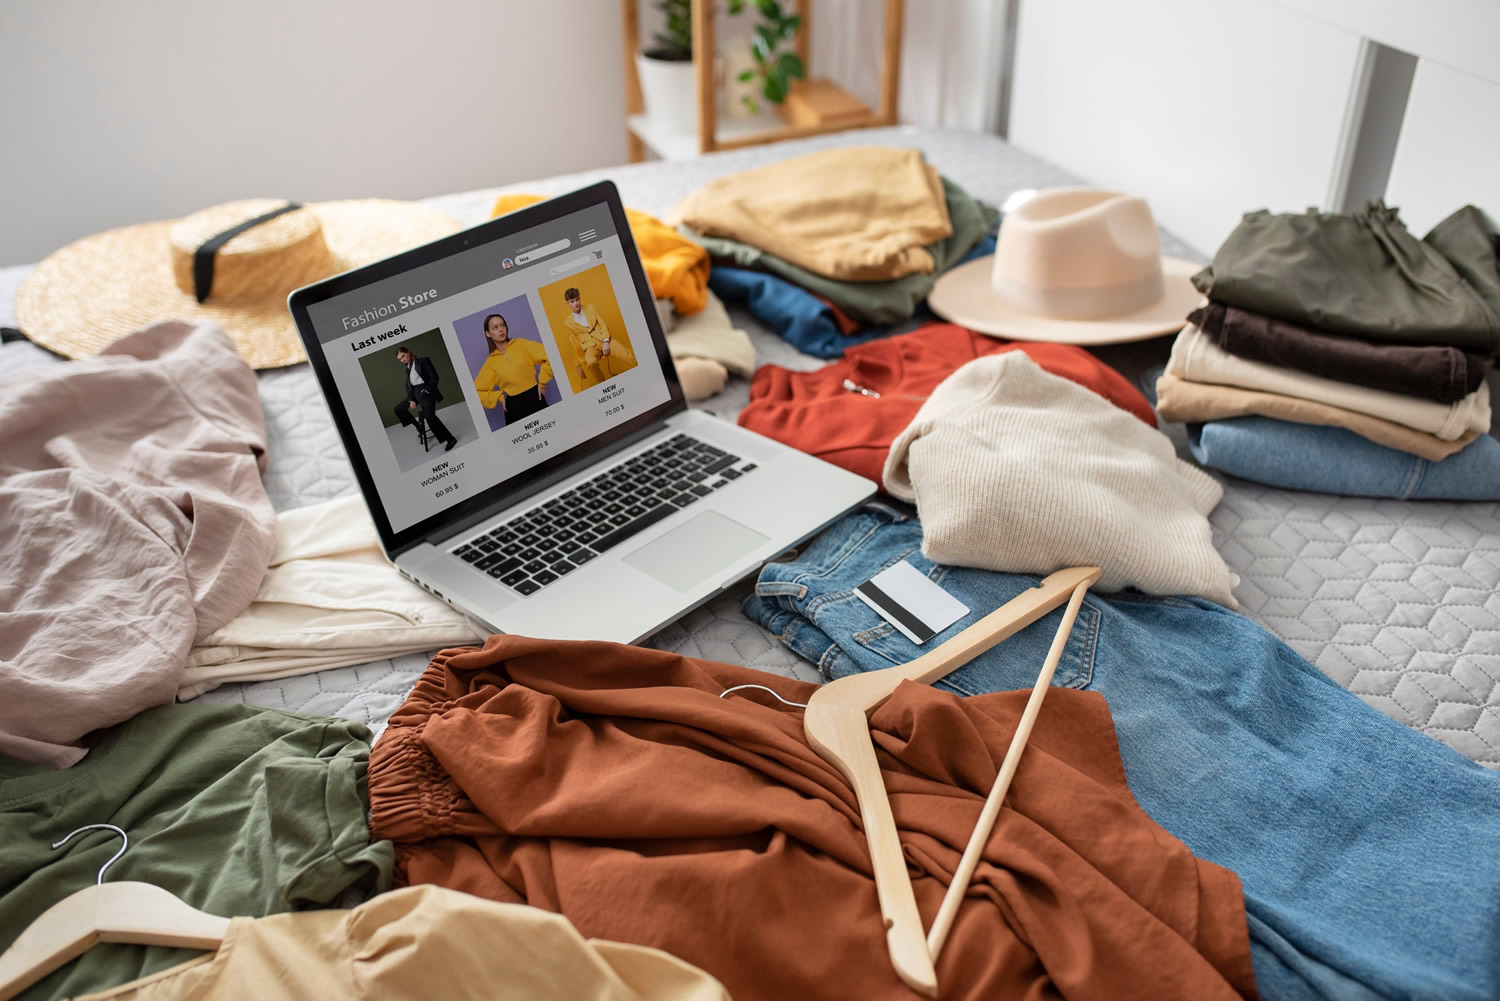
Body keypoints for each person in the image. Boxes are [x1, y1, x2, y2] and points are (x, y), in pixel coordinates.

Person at [472, 313, 554, 423]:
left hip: (535, 397)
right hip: (513, 407)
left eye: (503, 325)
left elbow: (550, 354)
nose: (501, 329)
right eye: (495, 328)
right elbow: (476, 391)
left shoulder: (521, 344)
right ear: (488, 333)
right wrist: (499, 398)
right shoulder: (490, 362)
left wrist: (543, 383)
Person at [562, 286, 634, 389]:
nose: (576, 303)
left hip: (604, 339)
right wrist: (577, 366)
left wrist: (605, 342)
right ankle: (604, 387)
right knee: (591, 363)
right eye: (572, 301)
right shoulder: (568, 322)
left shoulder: (591, 308)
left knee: (627, 355)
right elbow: (575, 343)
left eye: (577, 299)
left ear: (580, 298)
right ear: (567, 303)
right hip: (590, 347)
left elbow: (603, 324)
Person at [393, 345, 457, 452]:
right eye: (400, 359)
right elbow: (409, 387)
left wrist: (427, 390)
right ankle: (418, 426)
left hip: (426, 392)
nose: (402, 360)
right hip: (414, 394)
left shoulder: (423, 361)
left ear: (408, 352)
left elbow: (434, 377)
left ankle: (450, 439)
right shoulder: (407, 369)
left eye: (403, 356)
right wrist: (410, 400)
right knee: (398, 409)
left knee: (430, 418)